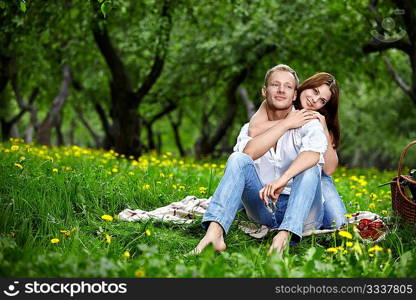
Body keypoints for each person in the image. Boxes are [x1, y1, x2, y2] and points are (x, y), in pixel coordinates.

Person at [191, 64, 330, 255]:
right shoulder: (249, 128)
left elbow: (313, 154)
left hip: (304, 212)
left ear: (295, 95)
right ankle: (214, 234)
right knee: (237, 158)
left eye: (288, 86)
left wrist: (282, 180)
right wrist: (285, 124)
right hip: (263, 208)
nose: (281, 90)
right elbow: (247, 154)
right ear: (265, 91)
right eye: (275, 85)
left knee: (310, 167)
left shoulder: (308, 121)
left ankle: (284, 236)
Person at [248, 72, 347, 229]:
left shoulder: (320, 121)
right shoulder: (280, 103)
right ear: (305, 86)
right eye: (315, 91)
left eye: (322, 100)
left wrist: (324, 129)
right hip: (281, 173)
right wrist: (289, 122)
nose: (315, 100)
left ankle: (309, 216)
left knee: (339, 225)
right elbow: (253, 130)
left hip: (315, 175)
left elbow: (328, 169)